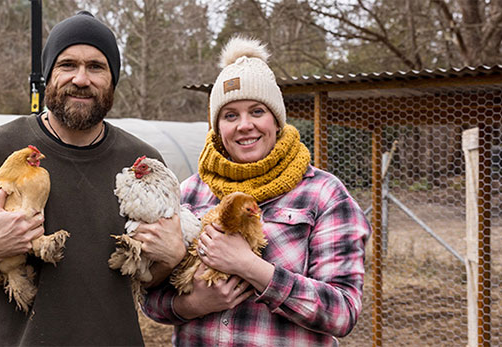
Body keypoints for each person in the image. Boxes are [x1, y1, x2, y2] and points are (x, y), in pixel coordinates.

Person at [0, 11, 184, 346]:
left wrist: (171, 256)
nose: (81, 78)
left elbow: (148, 279)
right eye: (67, 65)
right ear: (48, 75)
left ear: (113, 80)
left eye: (96, 67)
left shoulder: (141, 163)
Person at [140, 36, 370, 346]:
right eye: (230, 115)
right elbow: (149, 295)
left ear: (277, 121)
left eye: (257, 111)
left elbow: (342, 313)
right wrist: (193, 304)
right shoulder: (189, 193)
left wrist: (250, 267)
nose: (244, 125)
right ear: (217, 128)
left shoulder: (323, 194)